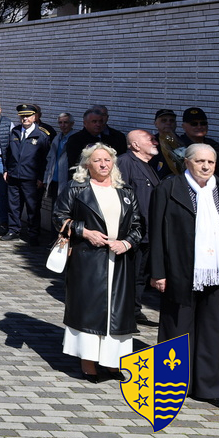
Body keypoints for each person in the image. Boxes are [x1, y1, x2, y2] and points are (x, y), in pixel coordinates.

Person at [53, 143, 143, 383]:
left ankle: (112, 362)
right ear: (87, 164)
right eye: (97, 160)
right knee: (89, 310)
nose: (103, 164)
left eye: (107, 160)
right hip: (88, 260)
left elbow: (137, 225)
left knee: (118, 312)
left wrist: (126, 243)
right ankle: (88, 361)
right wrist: (85, 232)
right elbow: (59, 217)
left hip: (120, 261)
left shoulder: (125, 191)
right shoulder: (76, 188)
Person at [150, 144, 219, 408]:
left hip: (217, 272)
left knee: (213, 330)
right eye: (200, 161)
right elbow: (157, 232)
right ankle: (171, 384)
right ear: (187, 162)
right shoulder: (169, 187)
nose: (206, 166)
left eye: (211, 162)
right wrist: (158, 272)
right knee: (176, 328)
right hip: (180, 271)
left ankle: (209, 388)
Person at [119, 129, 161, 323]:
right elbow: (121, 195)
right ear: (135, 145)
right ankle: (125, 310)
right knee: (130, 274)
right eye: (149, 139)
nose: (155, 141)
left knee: (140, 275)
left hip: (148, 231)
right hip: (132, 232)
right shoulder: (125, 162)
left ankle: (134, 309)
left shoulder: (149, 165)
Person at [3, 104, 52, 242]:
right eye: (22, 116)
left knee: (33, 207)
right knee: (13, 205)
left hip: (31, 178)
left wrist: (41, 177)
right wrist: (6, 170)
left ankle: (33, 234)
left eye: (28, 116)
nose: (25, 118)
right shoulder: (15, 132)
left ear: (34, 117)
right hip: (14, 175)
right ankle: (13, 230)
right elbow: (8, 152)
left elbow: (46, 158)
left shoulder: (42, 134)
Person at [175, 107, 219, 178]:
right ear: (184, 126)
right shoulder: (176, 147)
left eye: (203, 123)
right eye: (194, 124)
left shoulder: (216, 148)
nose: (199, 127)